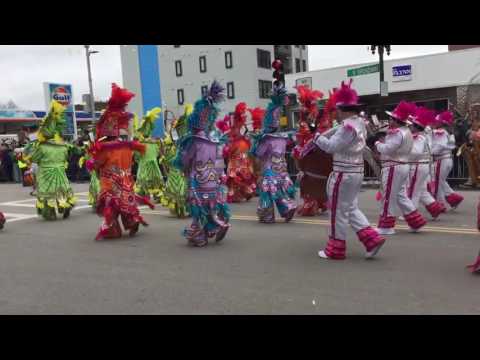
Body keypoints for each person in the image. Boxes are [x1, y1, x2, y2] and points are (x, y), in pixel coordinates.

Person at [310, 80, 385, 260]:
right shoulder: (359, 123)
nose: (336, 113)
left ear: (343, 109)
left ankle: (335, 249)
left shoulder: (347, 127)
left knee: (337, 211)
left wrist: (317, 137)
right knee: (350, 207)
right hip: (355, 171)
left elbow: (331, 147)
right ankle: (371, 239)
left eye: (338, 109)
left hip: (343, 173)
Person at [87, 83, 154, 241]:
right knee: (126, 203)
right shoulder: (128, 146)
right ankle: (131, 221)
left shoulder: (105, 148)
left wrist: (91, 162)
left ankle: (113, 229)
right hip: (126, 179)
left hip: (110, 181)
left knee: (111, 207)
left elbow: (97, 164)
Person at [174, 81, 230, 247]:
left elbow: (184, 160)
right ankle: (216, 225)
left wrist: (180, 161)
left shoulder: (193, 141)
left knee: (198, 210)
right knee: (211, 206)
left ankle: (200, 234)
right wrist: (221, 176)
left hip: (197, 179)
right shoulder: (214, 140)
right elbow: (219, 162)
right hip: (212, 179)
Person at [375, 101, 427, 235]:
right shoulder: (407, 132)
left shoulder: (397, 133)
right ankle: (416, 222)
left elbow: (388, 149)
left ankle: (386, 226)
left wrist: (378, 144)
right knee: (400, 196)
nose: (389, 120)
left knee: (388, 197)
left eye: (391, 118)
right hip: (401, 166)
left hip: (394, 166)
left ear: (396, 120)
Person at [250, 84, 297, 224]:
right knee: (279, 191)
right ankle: (287, 207)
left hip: (269, 169)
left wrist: (255, 144)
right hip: (281, 169)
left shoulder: (267, 139)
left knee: (267, 192)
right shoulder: (282, 138)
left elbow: (258, 155)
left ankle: (268, 215)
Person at [30, 100, 76, 220]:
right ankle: (64, 205)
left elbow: (34, 159)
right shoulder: (63, 146)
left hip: (46, 172)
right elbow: (66, 158)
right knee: (62, 189)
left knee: (47, 193)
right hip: (60, 171)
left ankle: (50, 213)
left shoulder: (42, 147)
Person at [293, 85, 332, 216]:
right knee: (316, 179)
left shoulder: (306, 125)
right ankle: (320, 202)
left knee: (309, 181)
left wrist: (299, 151)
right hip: (316, 156)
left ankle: (312, 204)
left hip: (311, 158)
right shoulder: (313, 124)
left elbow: (302, 141)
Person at [407, 107, 447, 220]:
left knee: (413, 191)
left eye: (412, 125)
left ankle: (411, 213)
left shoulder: (418, 137)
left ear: (416, 127)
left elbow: (416, 152)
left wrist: (403, 151)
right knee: (421, 190)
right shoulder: (423, 135)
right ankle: (435, 208)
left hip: (417, 166)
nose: (410, 127)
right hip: (422, 166)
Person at [220, 103, 257, 203]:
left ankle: (244, 191)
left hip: (242, 151)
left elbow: (248, 135)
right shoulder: (236, 125)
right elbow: (232, 135)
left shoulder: (245, 125)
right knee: (235, 174)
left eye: (245, 112)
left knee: (243, 173)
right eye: (243, 112)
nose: (244, 114)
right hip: (236, 151)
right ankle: (237, 192)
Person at [158, 104, 191, 218]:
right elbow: (164, 156)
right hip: (173, 170)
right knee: (175, 190)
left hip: (180, 170)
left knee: (182, 190)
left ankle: (184, 208)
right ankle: (178, 209)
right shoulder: (169, 142)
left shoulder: (181, 141)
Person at [431, 110, 464, 210]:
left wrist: (430, 153)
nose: (434, 122)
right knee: (441, 181)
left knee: (437, 182)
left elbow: (440, 146)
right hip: (446, 159)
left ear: (441, 123)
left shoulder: (440, 132)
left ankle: (440, 204)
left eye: (436, 121)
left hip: (442, 159)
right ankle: (454, 198)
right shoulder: (449, 132)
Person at [134, 107, 165, 202]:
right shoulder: (154, 143)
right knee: (156, 181)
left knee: (143, 181)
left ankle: (144, 196)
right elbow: (157, 154)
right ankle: (157, 196)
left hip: (144, 166)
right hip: (154, 166)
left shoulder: (141, 144)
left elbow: (137, 156)